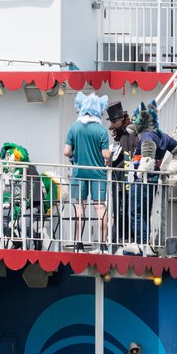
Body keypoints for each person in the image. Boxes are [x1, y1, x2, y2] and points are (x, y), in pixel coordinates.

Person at [64, 93, 111, 251]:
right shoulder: (102, 130)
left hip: (78, 174)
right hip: (98, 174)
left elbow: (66, 152)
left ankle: (78, 243)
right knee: (100, 208)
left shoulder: (74, 127)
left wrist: (75, 154)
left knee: (79, 207)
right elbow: (106, 155)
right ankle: (103, 244)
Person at [105, 101, 142, 253]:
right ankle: (120, 238)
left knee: (124, 209)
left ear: (121, 120)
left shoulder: (128, 136)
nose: (112, 126)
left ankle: (123, 239)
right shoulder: (121, 137)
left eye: (114, 122)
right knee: (120, 209)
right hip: (119, 180)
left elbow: (128, 159)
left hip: (125, 181)